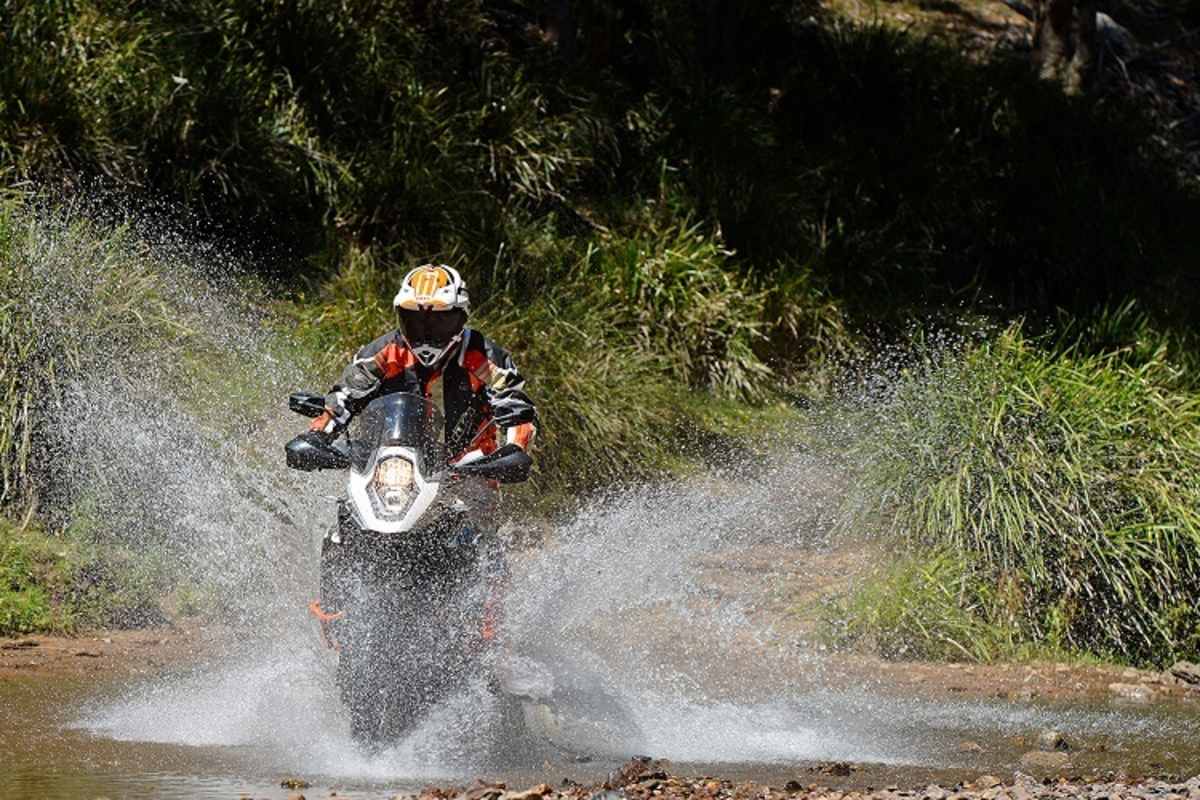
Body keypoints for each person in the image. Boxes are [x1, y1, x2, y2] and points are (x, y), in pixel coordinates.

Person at [302, 263, 536, 645]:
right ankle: (337, 614)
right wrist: (316, 437)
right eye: (416, 321)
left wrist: (515, 449)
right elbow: (341, 400)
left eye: (439, 323)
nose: (427, 333)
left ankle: (489, 637)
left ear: (460, 318)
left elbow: (516, 408)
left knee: (483, 537)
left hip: (468, 469)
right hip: (392, 464)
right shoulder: (383, 352)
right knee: (342, 521)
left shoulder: (484, 356)